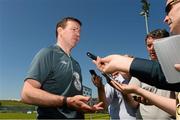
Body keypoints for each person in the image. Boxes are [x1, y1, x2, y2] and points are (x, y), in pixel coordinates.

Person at [93, 0, 180, 118]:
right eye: (148, 45)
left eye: (168, 8)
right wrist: (131, 90)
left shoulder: (174, 64)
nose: (165, 19)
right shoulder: (139, 74)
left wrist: (122, 63)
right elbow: (177, 107)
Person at [21, 17, 103, 119]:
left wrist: (85, 107)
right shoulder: (48, 53)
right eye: (74, 29)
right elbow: (27, 94)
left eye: (79, 31)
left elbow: (75, 101)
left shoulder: (76, 64)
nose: (78, 34)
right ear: (60, 31)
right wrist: (66, 101)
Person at [130, 29, 175, 120]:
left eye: (156, 44)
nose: (152, 48)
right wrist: (122, 91)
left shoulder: (175, 68)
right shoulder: (140, 68)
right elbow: (133, 103)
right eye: (149, 45)